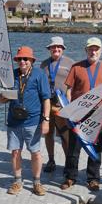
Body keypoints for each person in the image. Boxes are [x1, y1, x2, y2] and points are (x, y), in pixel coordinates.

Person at [0, 46, 51, 196]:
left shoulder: (39, 75)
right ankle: (17, 181)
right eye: (20, 59)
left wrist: (46, 120)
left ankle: (37, 182)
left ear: (32, 60)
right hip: (14, 121)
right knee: (15, 152)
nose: (22, 61)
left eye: (26, 59)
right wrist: (3, 96)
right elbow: (0, 101)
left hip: (33, 121)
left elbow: (46, 99)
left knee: (35, 153)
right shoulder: (11, 75)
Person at [63, 37, 102, 191]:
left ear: (101, 50)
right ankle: (70, 177)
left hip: (98, 116)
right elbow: (68, 91)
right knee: (73, 149)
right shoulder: (76, 67)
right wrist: (68, 112)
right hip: (78, 115)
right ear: (86, 50)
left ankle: (93, 178)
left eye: (96, 49)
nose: (93, 51)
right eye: (90, 49)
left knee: (96, 149)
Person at [40, 36, 74, 175]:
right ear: (49, 49)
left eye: (59, 47)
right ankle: (51, 160)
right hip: (48, 105)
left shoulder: (71, 63)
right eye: (53, 47)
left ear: (63, 49)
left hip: (63, 107)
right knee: (48, 134)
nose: (56, 49)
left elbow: (72, 86)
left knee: (65, 136)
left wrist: (70, 106)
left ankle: (68, 163)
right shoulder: (43, 65)